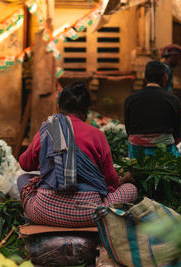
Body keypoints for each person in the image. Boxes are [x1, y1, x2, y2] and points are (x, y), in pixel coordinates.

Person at [17, 81, 138, 227]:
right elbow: (110, 182)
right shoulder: (97, 135)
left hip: (45, 212)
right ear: (86, 110)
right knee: (130, 189)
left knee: (23, 179)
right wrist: (121, 181)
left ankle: (32, 219)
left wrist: (51, 161)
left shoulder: (50, 128)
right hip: (89, 214)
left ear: (59, 106)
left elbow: (25, 164)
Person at [124, 61, 181, 159]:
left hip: (136, 152)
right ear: (164, 78)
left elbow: (128, 129)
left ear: (145, 78)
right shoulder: (173, 100)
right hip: (164, 151)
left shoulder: (130, 99)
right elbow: (177, 132)